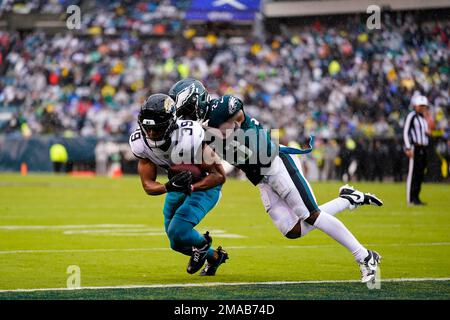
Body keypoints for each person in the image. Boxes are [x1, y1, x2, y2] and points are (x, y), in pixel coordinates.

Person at [169, 79, 384, 283]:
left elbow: (237, 117)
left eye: (186, 111)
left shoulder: (222, 107)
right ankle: (347, 199)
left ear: (196, 102)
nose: (186, 117)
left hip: (277, 164)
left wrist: (207, 132)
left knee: (312, 215)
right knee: (293, 230)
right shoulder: (202, 129)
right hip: (261, 178)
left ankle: (365, 256)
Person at [129, 93, 228, 276]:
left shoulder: (190, 136)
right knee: (175, 242)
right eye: (147, 129)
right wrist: (169, 186)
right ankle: (214, 256)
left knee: (178, 230)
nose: (151, 134)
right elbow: (147, 185)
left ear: (170, 123)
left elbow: (219, 176)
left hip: (204, 186)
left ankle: (203, 244)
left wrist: (191, 187)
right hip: (177, 185)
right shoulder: (140, 143)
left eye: (157, 129)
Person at [403, 94, 434, 205]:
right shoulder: (411, 116)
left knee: (420, 173)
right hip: (415, 147)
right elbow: (406, 132)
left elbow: (426, 132)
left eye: (424, 106)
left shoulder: (423, 118)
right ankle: (410, 199)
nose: (422, 108)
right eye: (420, 105)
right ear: (415, 105)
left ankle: (416, 197)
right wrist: (407, 147)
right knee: (413, 173)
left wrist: (428, 132)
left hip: (423, 147)